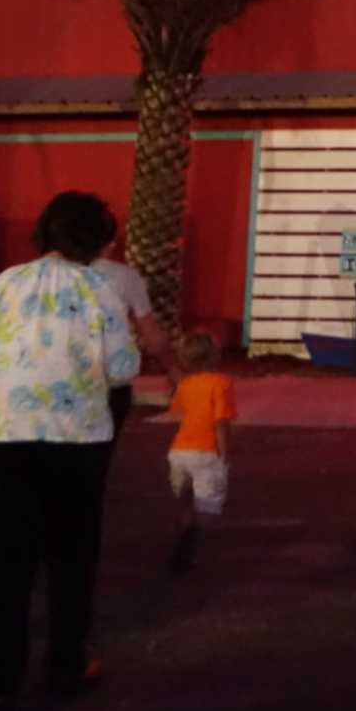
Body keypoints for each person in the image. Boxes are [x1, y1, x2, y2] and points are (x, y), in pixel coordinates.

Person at [0, 189, 141, 711]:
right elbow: (122, 368)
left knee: (2, 563)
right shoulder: (100, 288)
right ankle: (66, 663)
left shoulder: (3, 282)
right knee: (70, 556)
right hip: (72, 439)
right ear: (99, 239)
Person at [163, 328, 236, 574]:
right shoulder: (221, 383)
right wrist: (225, 455)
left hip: (179, 450)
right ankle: (189, 544)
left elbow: (179, 413)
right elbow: (220, 422)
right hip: (206, 452)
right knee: (207, 508)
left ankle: (181, 538)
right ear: (212, 356)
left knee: (183, 502)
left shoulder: (185, 385)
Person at [87, 243, 165, 442]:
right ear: (111, 243)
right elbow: (150, 331)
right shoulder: (125, 276)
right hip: (111, 377)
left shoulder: (52, 276)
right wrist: (173, 368)